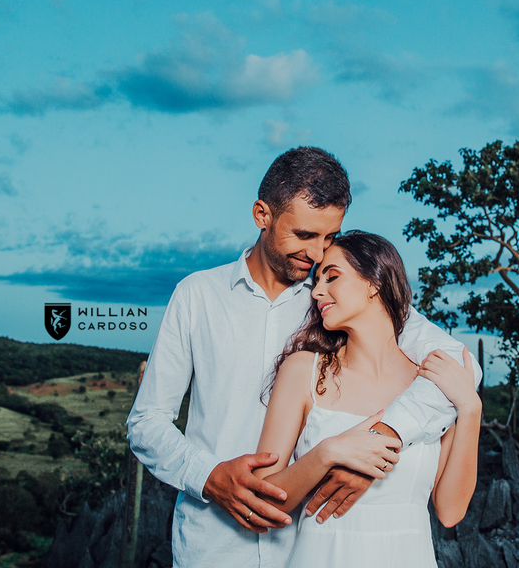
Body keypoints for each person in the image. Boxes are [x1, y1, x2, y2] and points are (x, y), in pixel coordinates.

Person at [127, 147, 481, 568]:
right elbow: (146, 422)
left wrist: (385, 437)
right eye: (305, 235)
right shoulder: (196, 296)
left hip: (311, 542)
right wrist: (209, 477)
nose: (317, 254)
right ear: (262, 214)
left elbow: (459, 365)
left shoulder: (338, 300)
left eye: (329, 238)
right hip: (213, 546)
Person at [253, 230, 481, 567]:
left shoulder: (432, 385)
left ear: (374, 282)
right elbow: (263, 500)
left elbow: (450, 511)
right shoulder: (304, 371)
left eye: (332, 276)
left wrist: (471, 408)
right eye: (317, 280)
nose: (316, 291)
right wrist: (327, 453)